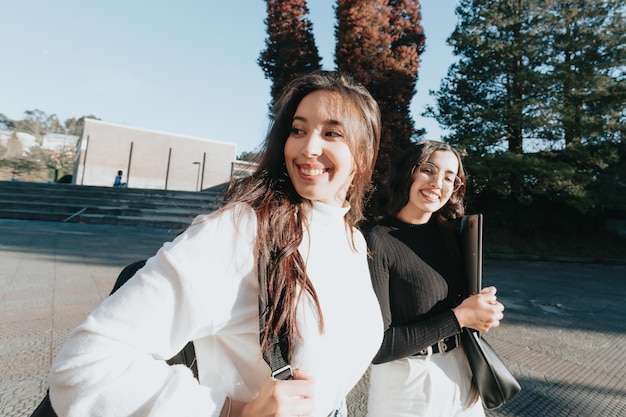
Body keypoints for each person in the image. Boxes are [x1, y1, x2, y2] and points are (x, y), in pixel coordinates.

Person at [48, 70, 384, 417]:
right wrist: (232, 411)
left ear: (363, 154)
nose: (308, 147)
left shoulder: (353, 240)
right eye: (298, 130)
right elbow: (84, 365)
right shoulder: (243, 230)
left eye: (332, 133)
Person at [363, 140, 505, 417]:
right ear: (408, 173)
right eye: (428, 170)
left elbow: (462, 307)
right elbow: (378, 347)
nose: (437, 182)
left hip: (463, 372)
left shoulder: (451, 234)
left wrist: (483, 309)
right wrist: (460, 317)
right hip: (407, 387)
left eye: (449, 177)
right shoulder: (376, 240)